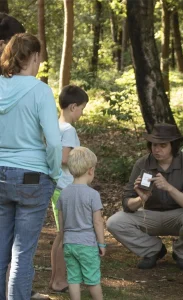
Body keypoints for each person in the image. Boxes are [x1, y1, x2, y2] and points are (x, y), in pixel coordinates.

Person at [0, 33, 61, 300]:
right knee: (22, 254)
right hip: (32, 176)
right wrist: (55, 172)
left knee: (1, 250)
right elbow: (55, 142)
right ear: (34, 57)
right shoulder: (39, 90)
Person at [107, 123, 183, 270]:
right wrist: (141, 199)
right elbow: (127, 203)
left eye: (162, 145)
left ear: (173, 145)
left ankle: (181, 253)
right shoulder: (143, 163)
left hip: (179, 215)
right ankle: (153, 250)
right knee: (114, 222)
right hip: (149, 215)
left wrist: (169, 187)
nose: (157, 149)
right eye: (154, 145)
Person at [49, 85, 89, 293]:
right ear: (73, 106)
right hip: (66, 187)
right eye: (82, 108)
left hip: (56, 186)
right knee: (65, 236)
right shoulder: (69, 129)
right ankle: (59, 281)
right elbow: (65, 158)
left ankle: (57, 279)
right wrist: (83, 163)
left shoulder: (55, 125)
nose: (81, 113)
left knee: (61, 234)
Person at [57, 147, 105, 300]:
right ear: (90, 170)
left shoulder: (64, 193)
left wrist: (64, 238)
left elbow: (61, 222)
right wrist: (102, 244)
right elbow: (98, 222)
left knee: (73, 278)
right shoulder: (93, 195)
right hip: (86, 244)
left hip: (69, 243)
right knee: (92, 278)